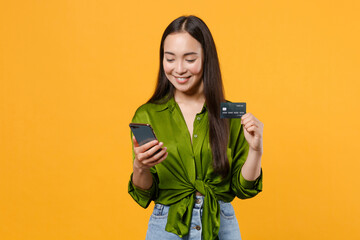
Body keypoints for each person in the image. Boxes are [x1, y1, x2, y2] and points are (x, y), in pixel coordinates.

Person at [128, 15, 263, 240]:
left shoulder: (230, 114)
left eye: (190, 59)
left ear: (206, 58)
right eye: (170, 59)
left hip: (221, 223)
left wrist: (256, 151)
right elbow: (145, 193)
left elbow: (243, 188)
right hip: (168, 226)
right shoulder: (147, 114)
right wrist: (140, 166)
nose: (179, 69)